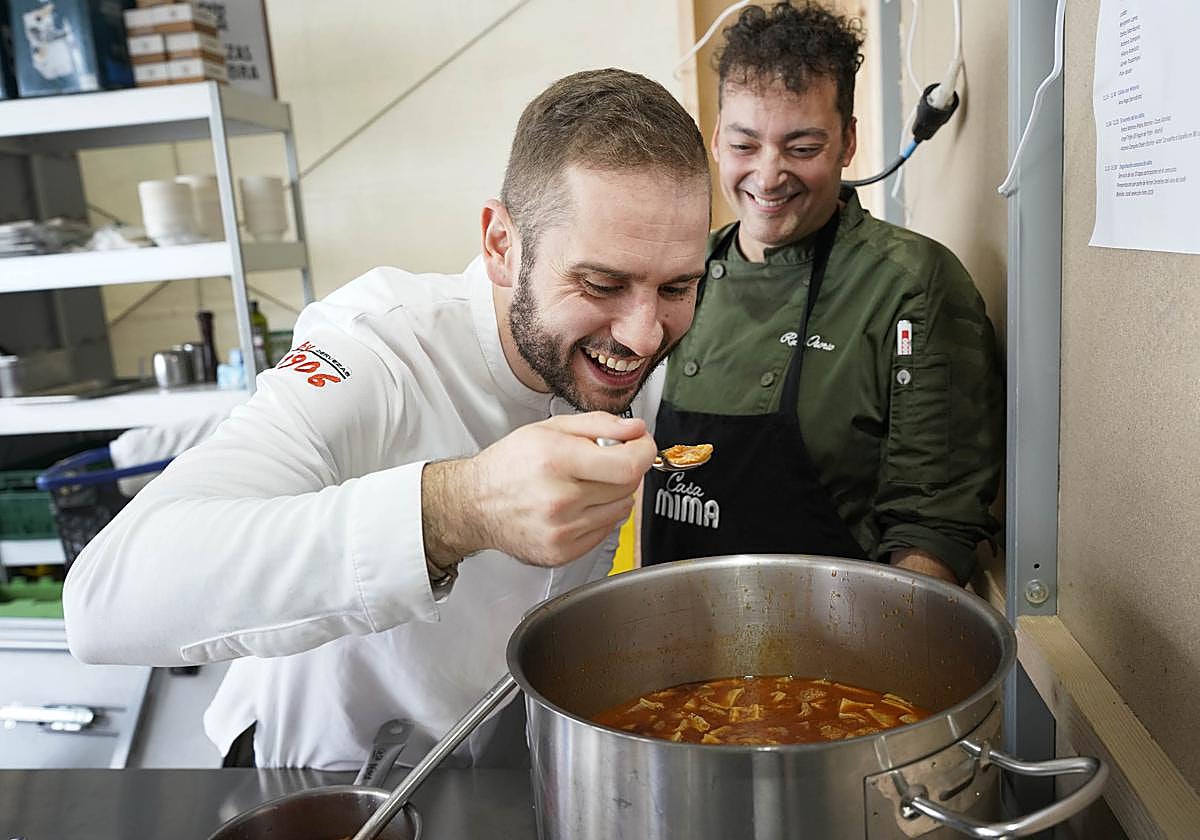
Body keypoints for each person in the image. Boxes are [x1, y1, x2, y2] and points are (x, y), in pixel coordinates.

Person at [63, 68, 712, 769]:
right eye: (602, 284)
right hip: (319, 777)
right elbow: (106, 599)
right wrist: (456, 508)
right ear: (501, 245)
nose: (645, 336)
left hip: (488, 766)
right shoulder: (375, 348)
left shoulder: (619, 359)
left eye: (678, 286)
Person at [642, 1, 1003, 586]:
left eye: (802, 148)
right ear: (714, 139)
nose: (767, 175)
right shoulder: (676, 276)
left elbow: (933, 522)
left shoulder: (909, 286)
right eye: (743, 145)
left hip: (837, 652)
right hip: (674, 640)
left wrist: (887, 656)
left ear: (848, 141)